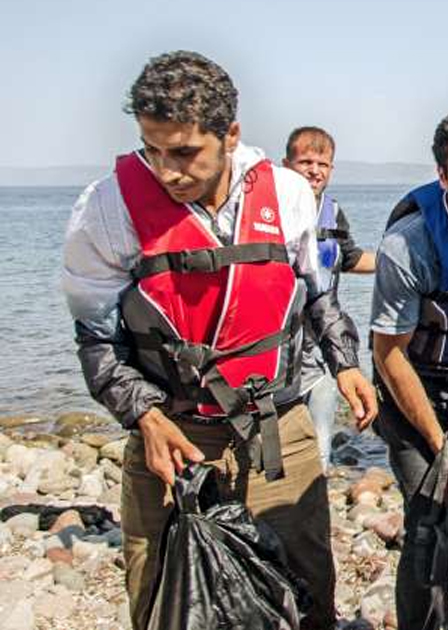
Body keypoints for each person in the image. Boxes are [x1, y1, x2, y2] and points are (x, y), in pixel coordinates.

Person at [61, 51, 377, 630]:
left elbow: (315, 293)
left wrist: (346, 364)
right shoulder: (107, 209)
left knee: (305, 593)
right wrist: (147, 421)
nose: (166, 170)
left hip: (277, 431)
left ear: (230, 135)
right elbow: (96, 341)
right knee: (166, 600)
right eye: (151, 149)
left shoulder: (287, 195)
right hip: (171, 440)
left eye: (184, 152)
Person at [370, 107, 448, 629]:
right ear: (442, 176)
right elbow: (388, 355)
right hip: (413, 379)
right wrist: (437, 444)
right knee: (428, 510)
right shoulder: (409, 245)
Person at [283, 125, 376, 469]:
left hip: (321, 345)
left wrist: (399, 266)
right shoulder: (271, 209)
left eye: (323, 163)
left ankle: (317, 482)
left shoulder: (331, 212)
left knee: (319, 427)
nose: (314, 170)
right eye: (305, 161)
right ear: (285, 165)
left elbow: (349, 258)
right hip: (280, 347)